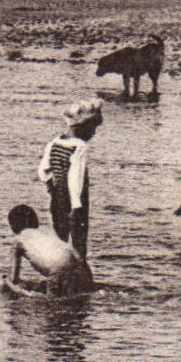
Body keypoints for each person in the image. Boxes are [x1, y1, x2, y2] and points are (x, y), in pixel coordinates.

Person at [39, 98, 101, 259]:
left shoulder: (54, 143)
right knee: (79, 241)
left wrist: (52, 184)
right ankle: (80, 278)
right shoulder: (80, 147)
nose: (94, 133)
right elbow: (76, 178)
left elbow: (43, 170)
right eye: (93, 128)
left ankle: (59, 273)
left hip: (57, 197)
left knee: (60, 238)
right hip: (75, 201)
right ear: (83, 127)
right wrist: (76, 206)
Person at [6, 204, 93, 297]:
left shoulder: (18, 240)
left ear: (13, 226)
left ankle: (31, 295)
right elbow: (71, 253)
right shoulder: (46, 233)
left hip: (57, 269)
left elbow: (13, 279)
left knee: (51, 301)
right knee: (79, 296)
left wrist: (7, 283)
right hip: (80, 266)